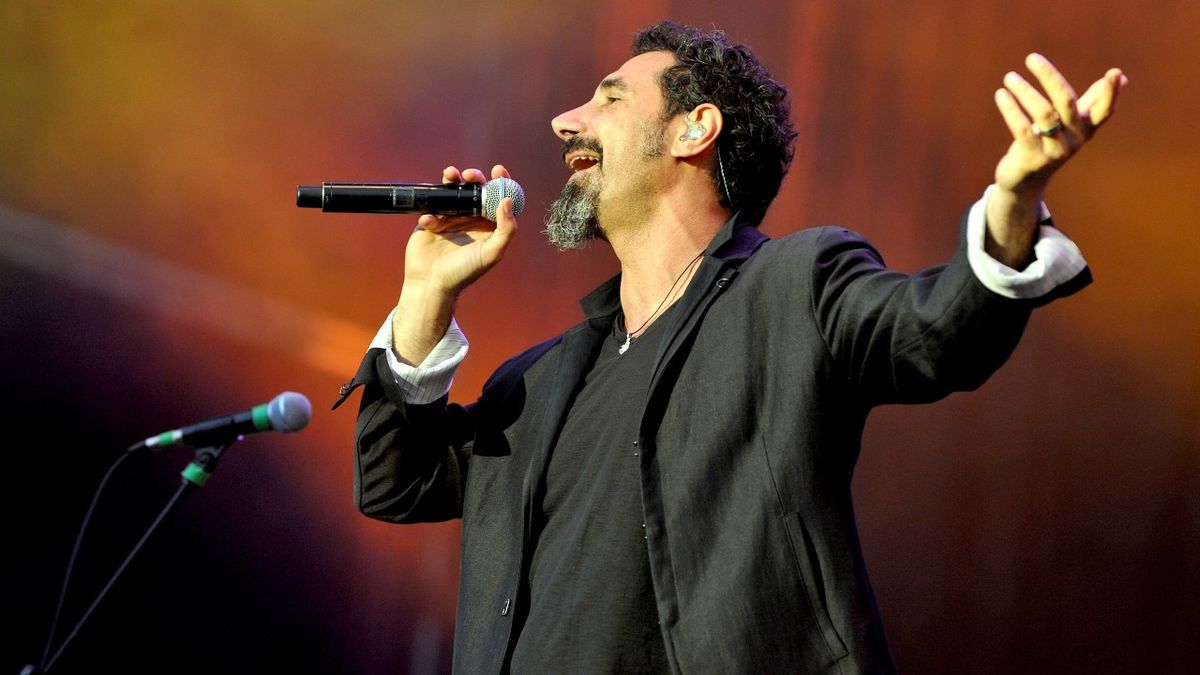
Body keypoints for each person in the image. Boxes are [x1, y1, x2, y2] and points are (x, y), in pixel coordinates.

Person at [334, 20, 1126, 674]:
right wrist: (425, 298)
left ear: (694, 128)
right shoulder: (533, 385)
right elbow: (393, 483)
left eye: (607, 98)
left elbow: (935, 331)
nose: (563, 121)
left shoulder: (790, 288)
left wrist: (1013, 206)